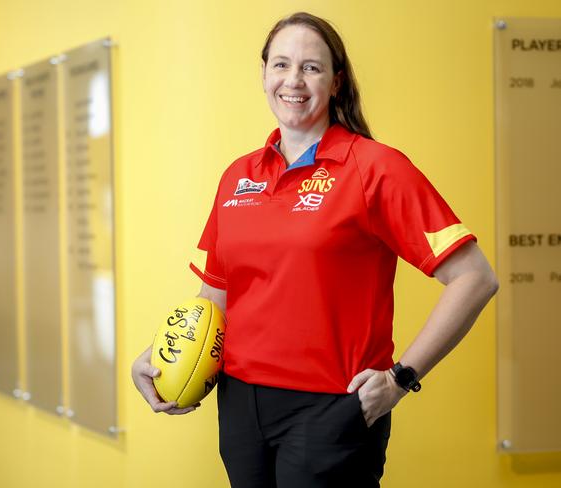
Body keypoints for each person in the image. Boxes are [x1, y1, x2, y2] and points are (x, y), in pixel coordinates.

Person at [132, 11, 498, 488]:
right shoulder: (237, 176)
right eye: (281, 65)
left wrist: (401, 378)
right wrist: (163, 356)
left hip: (331, 408)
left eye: (311, 67)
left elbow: (475, 278)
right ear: (263, 74)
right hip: (240, 404)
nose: (294, 80)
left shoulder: (374, 168)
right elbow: (215, 296)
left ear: (336, 82)